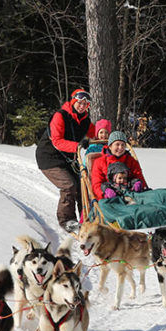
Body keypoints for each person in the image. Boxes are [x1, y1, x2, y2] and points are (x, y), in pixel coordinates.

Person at [36, 89, 95, 231]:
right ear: (74, 102)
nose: (82, 106)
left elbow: (96, 134)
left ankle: (86, 217)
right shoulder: (60, 116)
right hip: (48, 157)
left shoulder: (85, 120)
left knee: (83, 185)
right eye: (80, 103)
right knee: (69, 185)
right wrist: (78, 146)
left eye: (85, 104)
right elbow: (57, 141)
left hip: (68, 159)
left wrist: (108, 139)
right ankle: (67, 220)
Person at [91, 130, 149, 200]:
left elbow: (139, 177)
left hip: (130, 195)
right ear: (110, 146)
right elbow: (96, 184)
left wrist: (139, 184)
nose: (120, 148)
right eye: (117, 144)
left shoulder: (131, 161)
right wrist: (104, 193)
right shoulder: (100, 162)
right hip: (108, 199)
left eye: (123, 145)